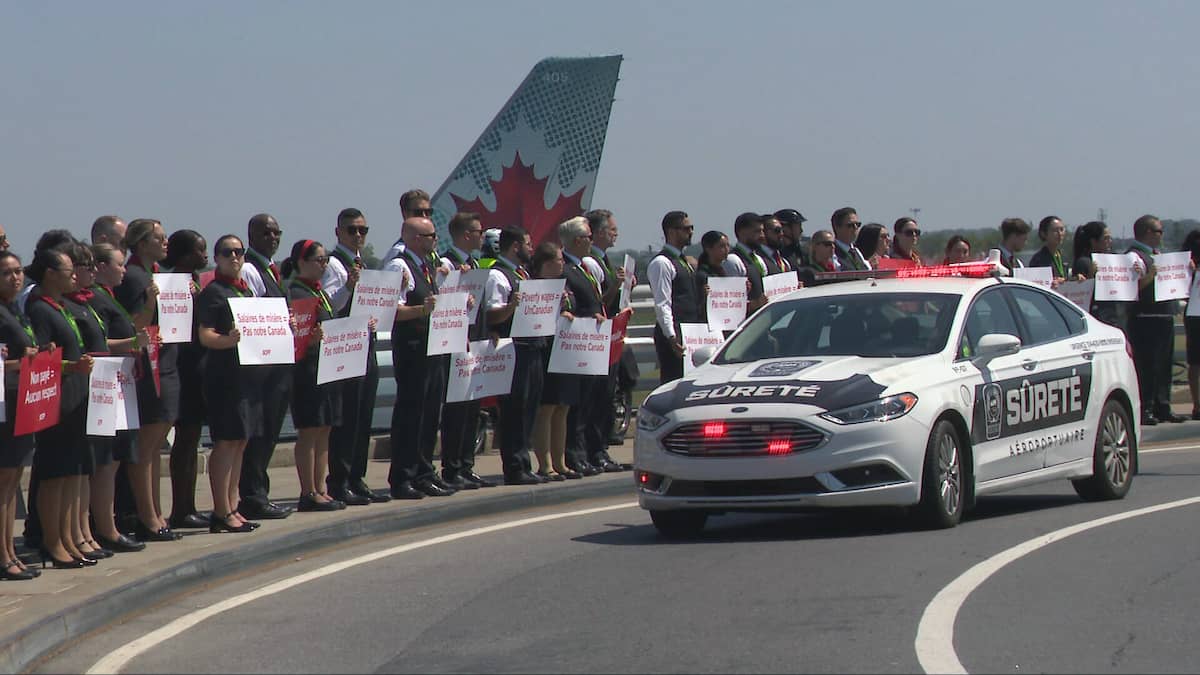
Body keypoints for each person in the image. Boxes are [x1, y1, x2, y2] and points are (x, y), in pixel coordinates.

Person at [26, 248, 97, 568]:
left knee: (72, 472)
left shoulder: (63, 306)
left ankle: (68, 536)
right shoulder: (40, 309)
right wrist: (71, 366)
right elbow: (40, 358)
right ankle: (52, 541)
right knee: (55, 473)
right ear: (50, 274)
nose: (73, 275)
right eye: (68, 270)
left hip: (76, 395)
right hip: (56, 399)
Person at [116, 220, 182, 542]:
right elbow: (133, 325)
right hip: (148, 369)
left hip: (166, 363)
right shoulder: (135, 278)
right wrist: (152, 301)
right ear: (142, 244)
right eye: (159, 238)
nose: (165, 242)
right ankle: (146, 516)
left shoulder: (155, 274)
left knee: (156, 446)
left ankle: (156, 511)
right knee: (145, 446)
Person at [386, 216, 457, 498]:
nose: (435, 241)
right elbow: (392, 310)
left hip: (433, 345)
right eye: (430, 236)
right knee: (411, 413)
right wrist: (422, 311)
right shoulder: (399, 265)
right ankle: (403, 476)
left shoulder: (426, 265)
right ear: (415, 238)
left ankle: (424, 471)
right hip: (413, 347)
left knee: (430, 413)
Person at [196, 235, 262, 533]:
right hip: (223, 376)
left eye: (238, 252)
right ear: (217, 257)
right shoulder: (214, 293)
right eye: (227, 253)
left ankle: (233, 505)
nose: (234, 257)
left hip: (246, 376)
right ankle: (221, 510)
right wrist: (229, 341)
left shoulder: (245, 292)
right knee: (226, 442)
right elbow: (205, 335)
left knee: (241, 441)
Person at [324, 208, 390, 505]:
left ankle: (356, 476)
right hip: (345, 347)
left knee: (363, 415)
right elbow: (329, 306)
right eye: (352, 230)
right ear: (338, 232)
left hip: (366, 341)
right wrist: (349, 287)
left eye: (363, 230)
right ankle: (339, 479)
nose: (358, 235)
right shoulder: (334, 265)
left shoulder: (364, 263)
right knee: (347, 417)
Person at [86, 244, 148, 553]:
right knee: (106, 462)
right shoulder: (95, 298)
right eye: (119, 265)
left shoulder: (108, 296)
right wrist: (131, 341)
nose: (124, 270)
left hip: (121, 383)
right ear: (100, 267)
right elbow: (100, 342)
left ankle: (108, 525)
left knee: (115, 459)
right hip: (105, 383)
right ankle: (105, 528)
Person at [63, 243, 122, 562]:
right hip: (78, 389)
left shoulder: (89, 303)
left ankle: (86, 531)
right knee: (79, 466)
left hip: (98, 387)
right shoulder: (66, 306)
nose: (89, 272)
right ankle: (73, 533)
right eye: (83, 266)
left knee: (94, 463)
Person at [237, 214, 294, 521]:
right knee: (260, 433)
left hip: (278, 362)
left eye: (276, 231)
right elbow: (254, 311)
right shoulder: (250, 268)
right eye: (266, 232)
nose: (273, 237)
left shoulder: (274, 269)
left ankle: (260, 491)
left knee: (271, 429)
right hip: (262, 365)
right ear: (252, 235)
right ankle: (253, 495)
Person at [283, 239, 345, 511]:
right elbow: (296, 335)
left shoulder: (319, 292)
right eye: (318, 260)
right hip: (307, 369)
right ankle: (308, 490)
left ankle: (321, 487)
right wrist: (311, 338)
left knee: (325, 428)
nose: (323, 265)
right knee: (309, 430)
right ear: (301, 262)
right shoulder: (297, 292)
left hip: (326, 365)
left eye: (325, 260)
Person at [437, 212, 495, 490]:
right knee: (457, 410)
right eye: (478, 231)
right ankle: (452, 467)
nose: (482, 236)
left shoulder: (474, 263)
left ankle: (467, 463)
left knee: (473, 407)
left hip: (476, 343)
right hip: (457, 345)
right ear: (466, 234)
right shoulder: (448, 264)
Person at [159, 230, 211, 530]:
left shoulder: (198, 283)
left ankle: (188, 504)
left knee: (192, 440)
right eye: (199, 251)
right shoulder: (170, 284)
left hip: (197, 366)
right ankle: (180, 507)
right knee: (184, 440)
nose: (204, 257)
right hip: (180, 366)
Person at [485, 226, 544, 483]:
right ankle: (514, 466)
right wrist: (513, 306)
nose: (532, 248)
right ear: (515, 246)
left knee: (529, 408)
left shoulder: (523, 273)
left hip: (532, 347)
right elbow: (492, 314)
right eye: (528, 244)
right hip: (513, 350)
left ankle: (524, 461)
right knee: (514, 411)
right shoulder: (498, 276)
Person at [560, 216, 617, 475]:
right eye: (587, 237)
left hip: (592, 342)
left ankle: (591, 451)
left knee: (593, 402)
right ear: (576, 240)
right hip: (577, 344)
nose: (591, 242)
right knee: (578, 405)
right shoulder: (566, 270)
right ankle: (575, 453)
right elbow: (567, 306)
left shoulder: (584, 267)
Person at [0, 251, 40, 578]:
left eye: (18, 271)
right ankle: (3, 556)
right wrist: (20, 361)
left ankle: (9, 551)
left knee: (13, 480)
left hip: (21, 401)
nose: (15, 278)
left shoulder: (15, 309)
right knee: (4, 480)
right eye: (6, 273)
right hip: (5, 404)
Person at [1125, 214, 1184, 426]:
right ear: (1148, 233)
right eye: (1159, 231)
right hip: (1146, 318)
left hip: (1163, 316)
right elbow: (1131, 287)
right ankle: (1146, 408)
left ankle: (1163, 405)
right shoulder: (1134, 256)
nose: (1162, 235)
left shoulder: (1158, 255)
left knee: (1164, 365)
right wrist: (1150, 276)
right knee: (1148, 365)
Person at [530, 242, 581, 481]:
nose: (563, 264)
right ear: (547, 263)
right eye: (560, 260)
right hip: (545, 348)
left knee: (564, 406)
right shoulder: (536, 285)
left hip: (564, 348)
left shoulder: (564, 285)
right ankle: (545, 463)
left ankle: (561, 462)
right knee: (547, 407)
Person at [582, 208, 627, 463]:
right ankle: (594, 449)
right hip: (597, 335)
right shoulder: (591, 263)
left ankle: (600, 447)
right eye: (611, 230)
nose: (616, 234)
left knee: (607, 394)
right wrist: (616, 286)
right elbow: (600, 302)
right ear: (598, 233)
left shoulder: (605, 260)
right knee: (596, 396)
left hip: (611, 335)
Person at [649, 211, 703, 385]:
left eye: (692, 228)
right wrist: (671, 336)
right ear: (671, 232)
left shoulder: (683, 261)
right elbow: (663, 302)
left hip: (690, 330)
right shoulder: (662, 263)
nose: (691, 232)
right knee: (673, 382)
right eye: (686, 228)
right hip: (675, 333)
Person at [1072, 221, 1121, 328]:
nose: (1110, 241)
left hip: (1112, 316)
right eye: (1106, 238)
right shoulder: (1084, 262)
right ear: (1094, 241)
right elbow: (1080, 295)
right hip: (1096, 318)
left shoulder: (1111, 260)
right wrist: (1090, 275)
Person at [722, 212, 769, 311]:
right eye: (757, 231)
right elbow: (730, 301)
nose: (762, 236)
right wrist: (753, 305)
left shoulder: (759, 259)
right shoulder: (733, 260)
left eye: (762, 231)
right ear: (742, 232)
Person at [382, 188, 433, 265]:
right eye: (418, 212)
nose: (424, 216)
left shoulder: (431, 252)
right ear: (405, 214)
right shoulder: (398, 252)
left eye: (428, 212)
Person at [1183, 230, 1200, 421]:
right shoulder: (1187, 269)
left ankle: (1197, 404)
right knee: (1195, 361)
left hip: (1192, 314)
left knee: (1195, 362)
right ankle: (1197, 404)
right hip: (1195, 314)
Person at [1028, 216, 1071, 284]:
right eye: (1055, 230)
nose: (1060, 234)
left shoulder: (1062, 256)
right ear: (1044, 234)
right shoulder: (1039, 259)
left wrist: (1075, 279)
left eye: (1061, 229)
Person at [830, 207, 869, 271]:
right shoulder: (832, 251)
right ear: (837, 228)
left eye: (858, 224)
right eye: (850, 225)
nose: (855, 228)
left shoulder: (856, 251)